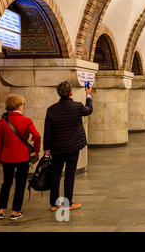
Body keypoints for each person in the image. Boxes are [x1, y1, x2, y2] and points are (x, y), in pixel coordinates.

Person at [44, 81, 93, 211]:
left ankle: (54, 204)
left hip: (57, 148)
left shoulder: (51, 109)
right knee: (70, 174)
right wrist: (88, 95)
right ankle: (68, 203)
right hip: (73, 147)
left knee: (56, 174)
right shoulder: (77, 106)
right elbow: (89, 110)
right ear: (71, 93)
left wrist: (46, 149)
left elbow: (47, 131)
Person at [0, 95, 41, 221]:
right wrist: (35, 151)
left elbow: (0, 143)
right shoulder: (26, 120)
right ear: (19, 106)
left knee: (6, 183)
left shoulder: (2, 122)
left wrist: (0, 158)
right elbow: (37, 136)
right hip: (22, 157)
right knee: (20, 184)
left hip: (6, 157)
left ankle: (1, 210)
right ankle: (15, 211)